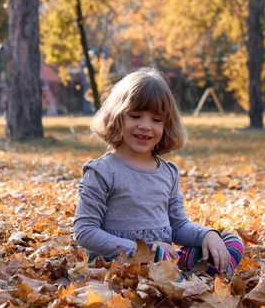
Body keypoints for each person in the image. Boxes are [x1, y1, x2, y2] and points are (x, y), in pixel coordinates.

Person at [73, 67, 244, 275]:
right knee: (159, 268)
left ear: (167, 125)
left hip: (163, 260)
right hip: (120, 263)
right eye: (135, 116)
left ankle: (189, 281)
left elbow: (178, 226)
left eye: (156, 120)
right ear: (117, 117)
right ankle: (180, 284)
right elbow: (85, 232)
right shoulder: (103, 171)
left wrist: (206, 235)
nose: (145, 126)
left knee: (230, 242)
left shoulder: (167, 172)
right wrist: (146, 251)